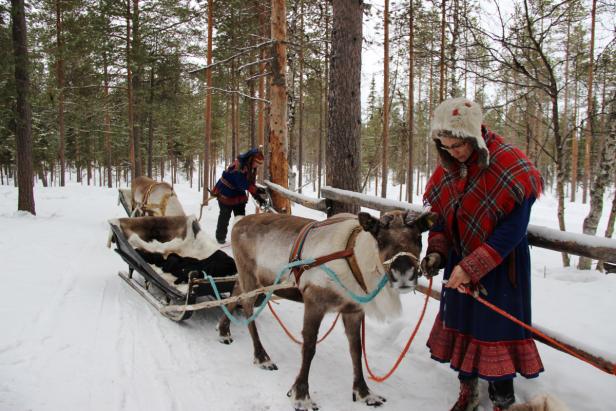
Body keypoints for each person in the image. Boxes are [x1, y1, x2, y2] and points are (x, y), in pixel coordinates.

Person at [420, 97, 544, 411]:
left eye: (457, 144)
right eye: (444, 145)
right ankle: (468, 394)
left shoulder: (511, 166)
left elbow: (512, 231)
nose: (451, 152)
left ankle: (502, 400)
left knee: (495, 333)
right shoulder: (450, 167)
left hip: (500, 268)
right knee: (462, 326)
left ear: (474, 136)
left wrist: (473, 266)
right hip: (458, 264)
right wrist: (437, 253)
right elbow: (440, 218)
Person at [211, 147, 268, 244]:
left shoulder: (251, 167)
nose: (257, 166)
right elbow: (242, 184)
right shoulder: (238, 166)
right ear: (251, 159)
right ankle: (220, 238)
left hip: (238, 193)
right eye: (257, 163)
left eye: (259, 164)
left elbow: (250, 183)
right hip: (226, 192)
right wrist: (256, 190)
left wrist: (258, 197)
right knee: (225, 216)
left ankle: (241, 237)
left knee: (241, 217)